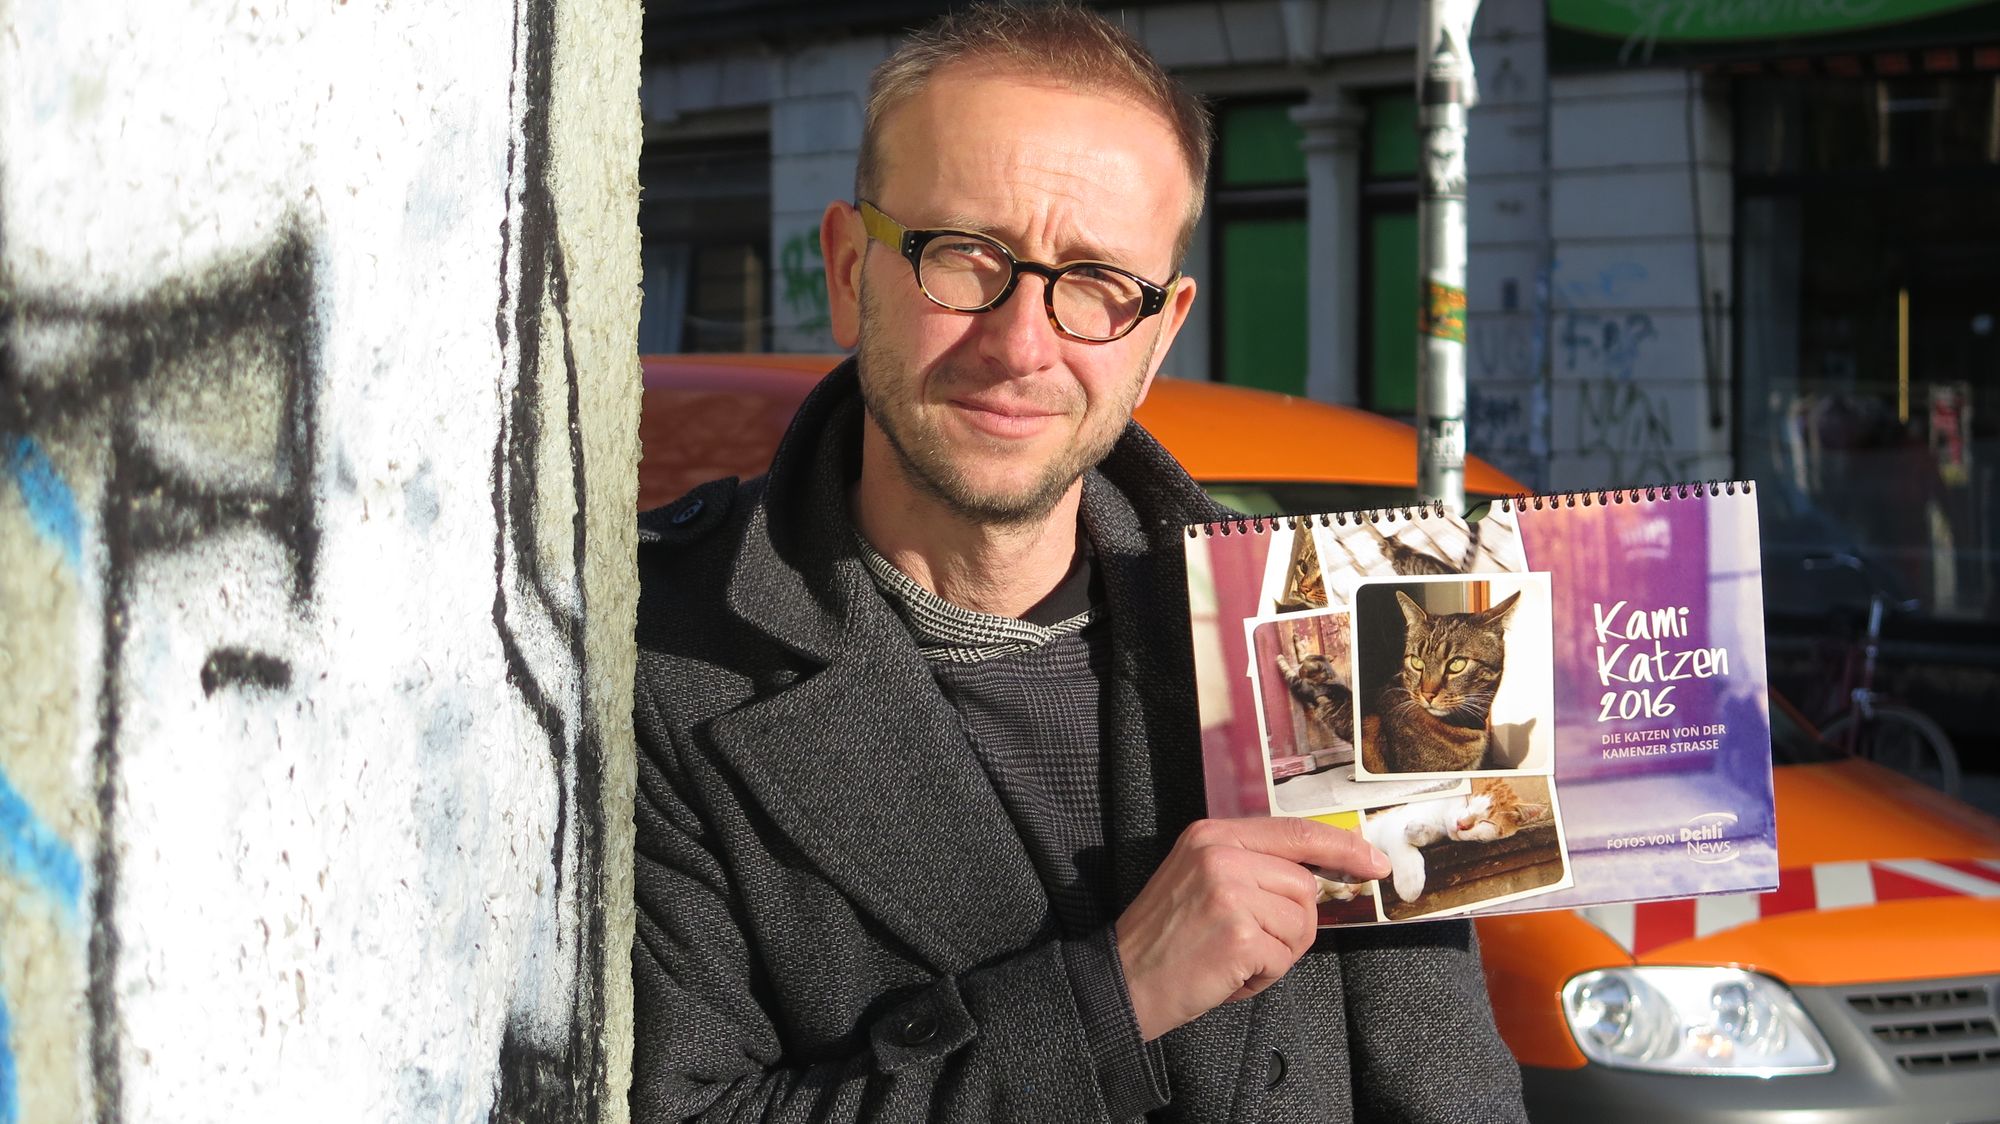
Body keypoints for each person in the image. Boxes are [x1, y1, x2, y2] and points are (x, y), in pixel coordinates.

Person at [631, 4, 1528, 1120]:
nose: (1020, 343)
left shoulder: (1325, 634)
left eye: (1098, 284)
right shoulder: (656, 661)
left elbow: (1443, 1091)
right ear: (849, 267)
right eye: (963, 258)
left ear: (1157, 337)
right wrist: (1109, 997)